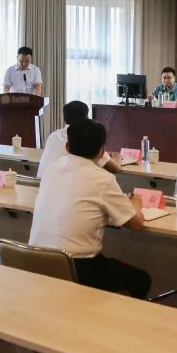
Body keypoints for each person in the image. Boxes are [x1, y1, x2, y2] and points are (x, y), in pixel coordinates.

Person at [29, 119, 150, 299]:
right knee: (141, 280)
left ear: (67, 147)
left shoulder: (52, 168)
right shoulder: (102, 179)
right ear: (102, 151)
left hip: (33, 259)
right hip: (76, 266)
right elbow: (136, 224)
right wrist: (136, 204)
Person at [37, 101, 122, 179]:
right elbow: (115, 168)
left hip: (41, 184)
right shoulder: (85, 138)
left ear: (65, 119)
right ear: (87, 118)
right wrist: (118, 157)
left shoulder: (53, 135)